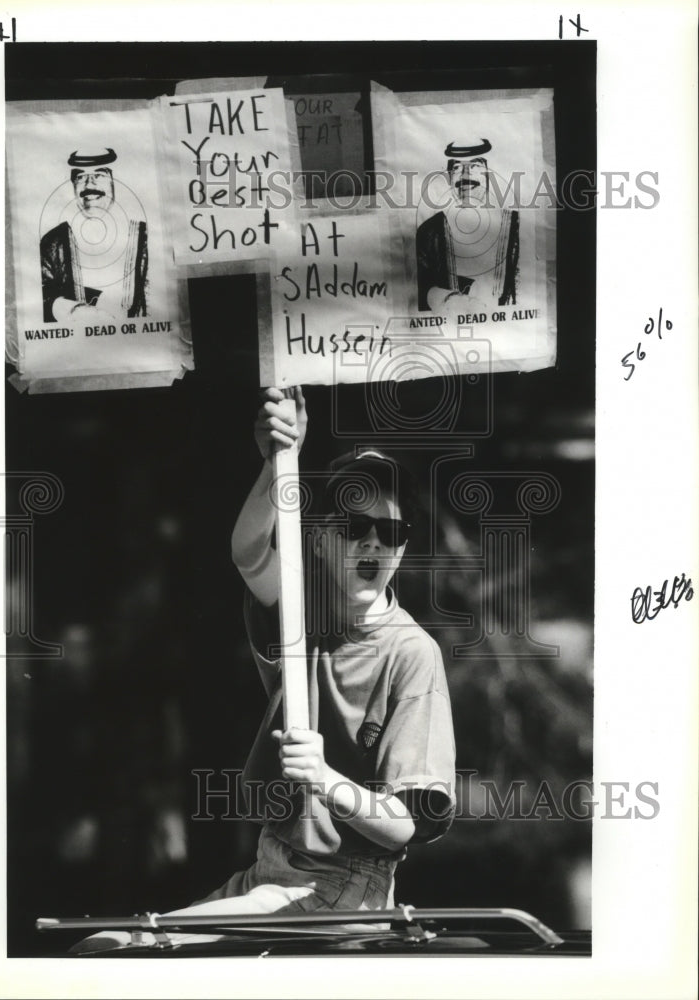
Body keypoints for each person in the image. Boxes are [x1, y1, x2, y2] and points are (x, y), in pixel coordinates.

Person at [72, 387, 455, 953]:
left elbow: (405, 825)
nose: (374, 540)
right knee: (104, 945)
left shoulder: (413, 653)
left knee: (133, 949)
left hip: (341, 891)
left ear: (401, 549)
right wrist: (280, 461)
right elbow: (250, 550)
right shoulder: (303, 615)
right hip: (269, 871)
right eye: (354, 527)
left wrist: (324, 778)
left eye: (391, 531)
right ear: (321, 539)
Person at [40, 148, 148, 323]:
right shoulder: (53, 243)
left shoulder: (145, 239)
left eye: (99, 174)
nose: (89, 185)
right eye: (80, 177)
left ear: (116, 181)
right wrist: (70, 310)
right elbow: (42, 295)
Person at [416, 138, 519, 314]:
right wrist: (447, 299)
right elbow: (418, 290)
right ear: (449, 177)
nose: (464, 176)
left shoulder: (516, 229)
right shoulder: (429, 233)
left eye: (474, 166)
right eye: (456, 168)